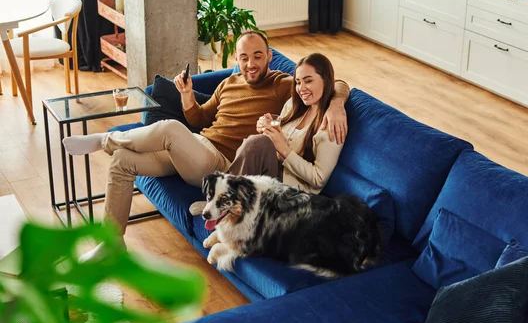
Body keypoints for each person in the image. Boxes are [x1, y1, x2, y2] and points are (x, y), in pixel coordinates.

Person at [62, 31, 350, 261]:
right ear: (236, 59)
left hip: (219, 163)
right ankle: (111, 244)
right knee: (123, 161)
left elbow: (334, 82)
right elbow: (199, 118)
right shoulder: (228, 82)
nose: (251, 64)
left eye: (258, 56)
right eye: (244, 58)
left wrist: (336, 104)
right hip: (197, 148)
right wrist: (187, 96)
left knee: (173, 129)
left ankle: (104, 140)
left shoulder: (283, 84)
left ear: (269, 57)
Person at [228, 53, 343, 194]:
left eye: (308, 81)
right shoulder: (294, 105)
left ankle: (223, 196)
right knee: (258, 141)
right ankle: (226, 195)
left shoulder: (331, 123)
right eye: (298, 82)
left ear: (326, 80)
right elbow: (279, 138)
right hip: (274, 172)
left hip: (291, 191)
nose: (301, 89)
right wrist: (268, 127)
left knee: (257, 143)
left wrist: (283, 148)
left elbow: (318, 179)